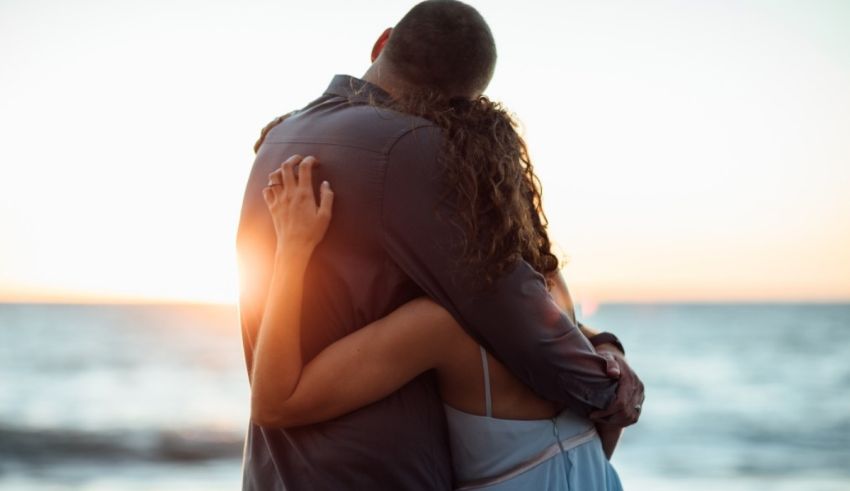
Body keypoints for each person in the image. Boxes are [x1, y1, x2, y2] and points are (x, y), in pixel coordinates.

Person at [235, 1, 644, 489]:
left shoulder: (280, 136)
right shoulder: (415, 147)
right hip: (374, 471)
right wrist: (611, 385)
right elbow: (513, 306)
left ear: (382, 42)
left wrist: (292, 254)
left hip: (280, 468)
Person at [250, 154, 624, 490]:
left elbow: (276, 402)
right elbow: (611, 414)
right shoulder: (552, 287)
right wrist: (607, 344)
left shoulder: (441, 324)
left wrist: (293, 248)